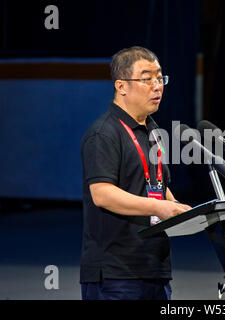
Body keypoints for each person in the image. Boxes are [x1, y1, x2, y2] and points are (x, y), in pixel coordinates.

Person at [80, 46, 191, 300]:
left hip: (155, 268)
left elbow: (156, 186)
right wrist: (158, 208)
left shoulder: (152, 131)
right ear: (121, 86)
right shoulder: (104, 134)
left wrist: (181, 210)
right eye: (146, 78)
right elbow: (102, 194)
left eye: (160, 78)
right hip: (116, 274)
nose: (157, 86)